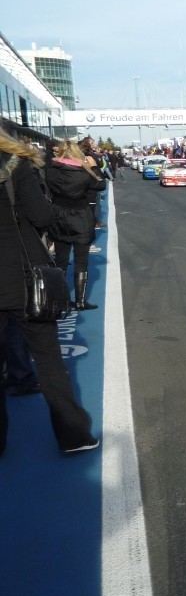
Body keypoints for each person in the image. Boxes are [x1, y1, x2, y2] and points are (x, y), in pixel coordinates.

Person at [0, 128, 99, 454]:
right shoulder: (15, 164)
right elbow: (42, 216)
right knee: (49, 359)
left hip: (17, 278)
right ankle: (74, 436)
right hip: (24, 278)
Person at [47, 141, 106, 310]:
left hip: (58, 216)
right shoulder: (83, 173)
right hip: (80, 217)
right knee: (81, 261)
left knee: (61, 261)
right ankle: (80, 301)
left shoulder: (51, 171)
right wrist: (94, 166)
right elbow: (101, 185)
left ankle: (59, 301)